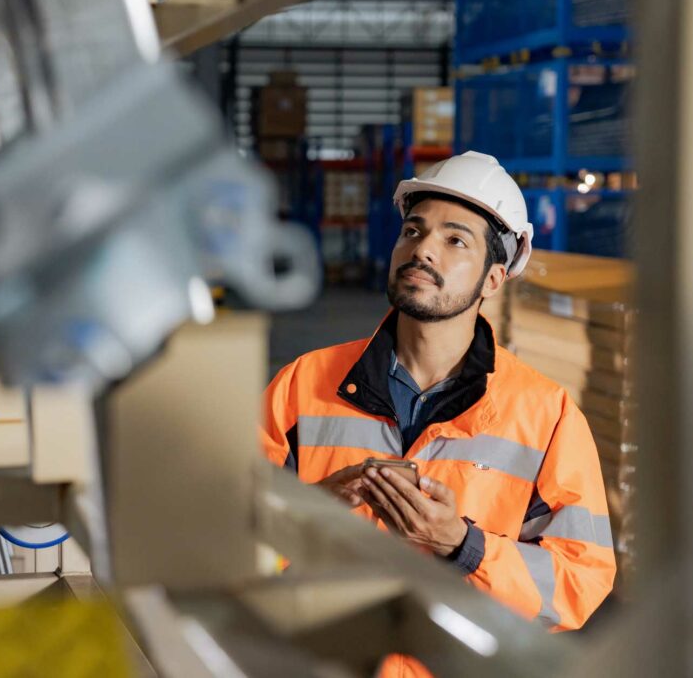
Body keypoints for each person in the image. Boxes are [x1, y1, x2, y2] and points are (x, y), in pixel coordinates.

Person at [261, 152, 615, 658]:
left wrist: (463, 546)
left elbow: (579, 581)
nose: (423, 249)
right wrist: (308, 513)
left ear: (494, 278)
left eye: (455, 240)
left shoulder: (547, 417)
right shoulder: (303, 385)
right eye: (412, 231)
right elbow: (221, 535)